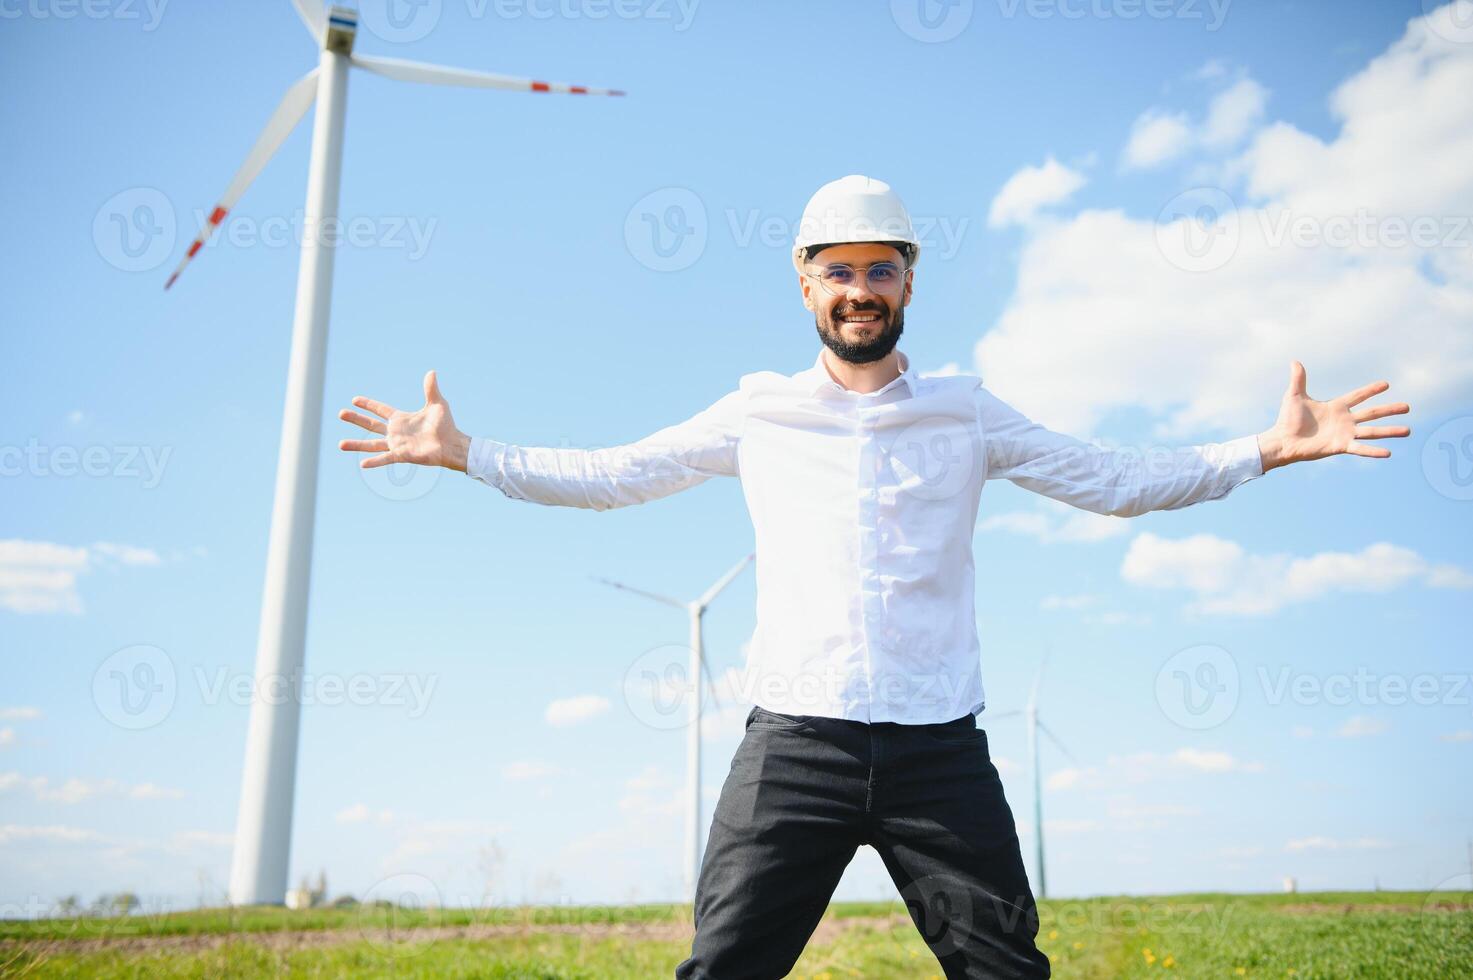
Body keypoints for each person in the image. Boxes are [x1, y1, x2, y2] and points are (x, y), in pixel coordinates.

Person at [336, 175, 1412, 979]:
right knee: (721, 971)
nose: (860, 290)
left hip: (939, 748)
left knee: (1007, 971)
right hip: (794, 743)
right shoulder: (757, 408)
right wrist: (468, 451)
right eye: (838, 271)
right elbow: (614, 473)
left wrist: (1264, 448)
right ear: (805, 282)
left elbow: (1116, 479)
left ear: (909, 280)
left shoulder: (968, 408)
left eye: (880, 269)